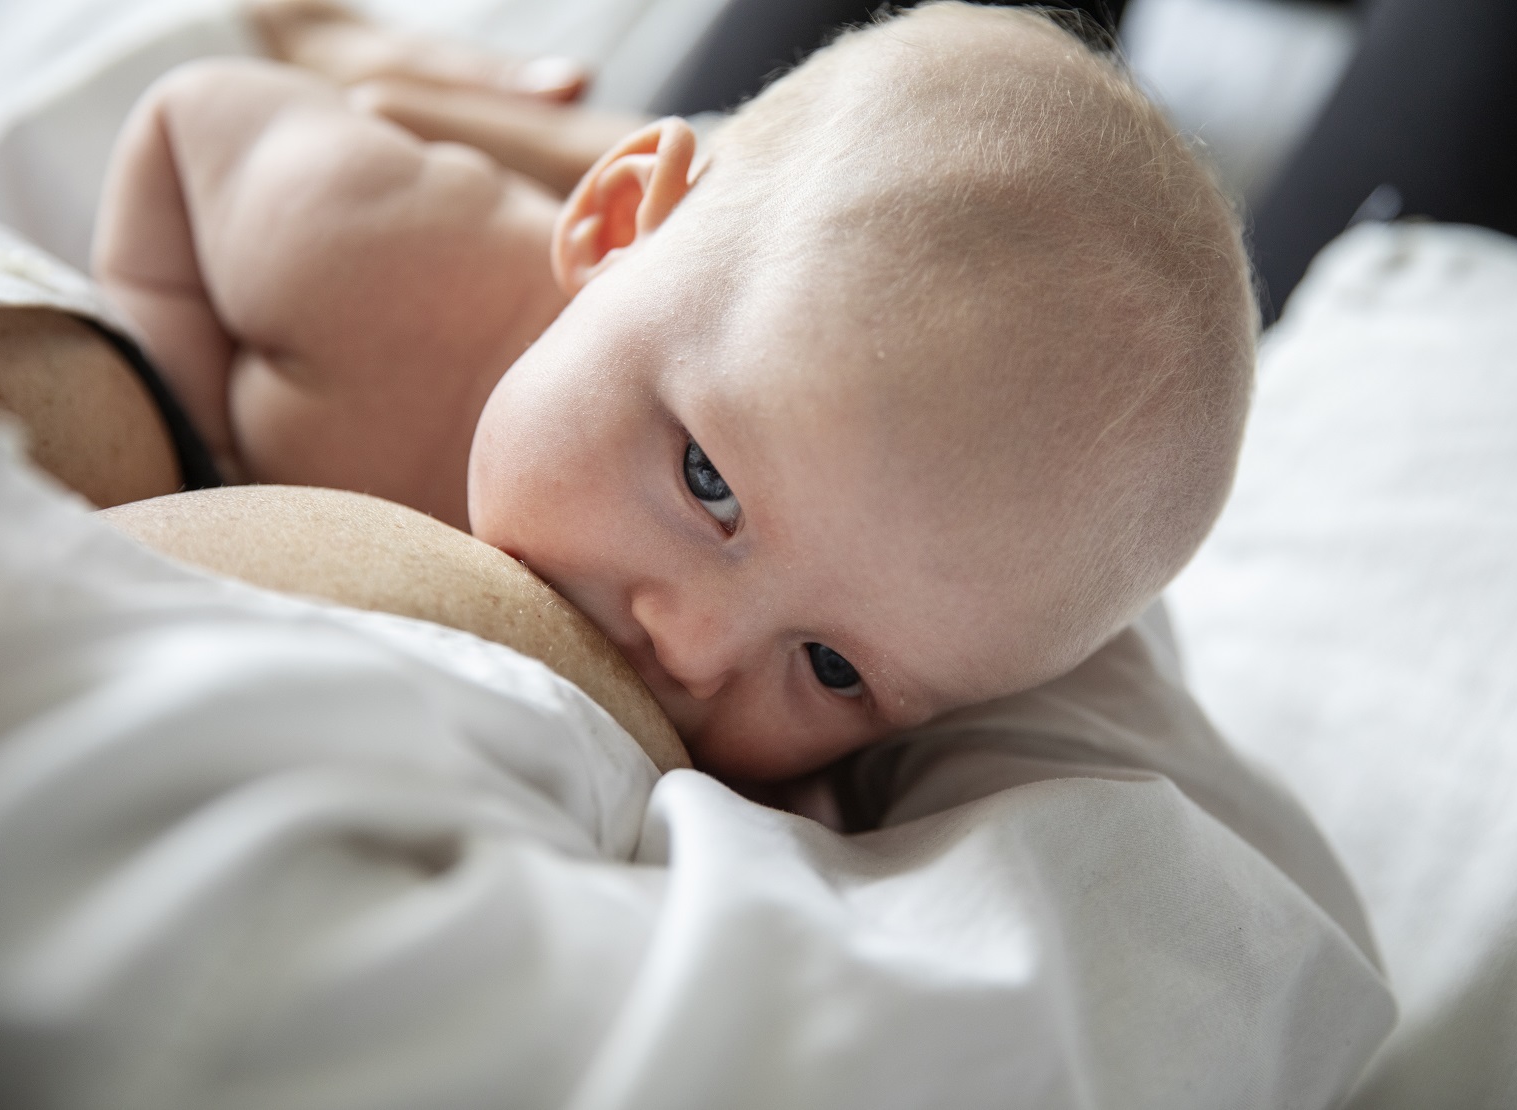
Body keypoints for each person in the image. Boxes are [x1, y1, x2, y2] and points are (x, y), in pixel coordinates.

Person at [91, 1, 1256, 782]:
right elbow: (188, 123)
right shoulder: (372, 260)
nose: (693, 654)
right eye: (707, 483)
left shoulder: (835, 646)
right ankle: (382, 66)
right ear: (608, 228)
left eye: (834, 669)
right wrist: (173, 411)